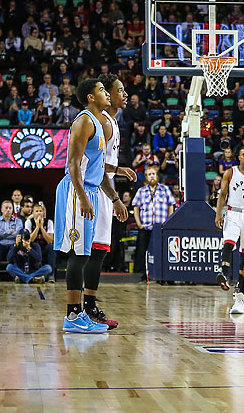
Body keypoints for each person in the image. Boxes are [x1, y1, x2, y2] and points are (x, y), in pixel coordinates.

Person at [54, 79, 126, 334]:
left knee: (85, 251)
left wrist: (113, 196)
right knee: (79, 253)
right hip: (78, 190)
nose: (107, 93)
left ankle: (80, 314)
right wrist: (83, 197)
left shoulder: (98, 123)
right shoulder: (84, 120)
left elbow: (97, 169)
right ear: (90, 97)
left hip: (91, 190)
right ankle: (73, 316)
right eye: (102, 90)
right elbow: (73, 164)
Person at [84, 74, 137, 329]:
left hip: (102, 187)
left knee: (98, 252)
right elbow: (91, 165)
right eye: (120, 90)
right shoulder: (104, 122)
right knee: (95, 252)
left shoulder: (113, 122)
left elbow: (102, 163)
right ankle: (87, 309)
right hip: (96, 191)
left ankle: (87, 308)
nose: (124, 94)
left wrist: (118, 169)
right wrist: (115, 198)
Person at [214, 146, 244, 313]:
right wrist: (218, 213)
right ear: (239, 157)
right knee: (228, 242)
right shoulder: (230, 173)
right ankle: (224, 274)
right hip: (233, 212)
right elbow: (222, 195)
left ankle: (241, 286)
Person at [132, 166, 175, 283]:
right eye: (149, 174)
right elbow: (136, 207)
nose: (152, 176)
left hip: (160, 228)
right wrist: (139, 223)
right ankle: (143, 276)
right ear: (146, 177)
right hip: (145, 227)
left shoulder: (165, 189)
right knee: (142, 252)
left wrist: (168, 222)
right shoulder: (141, 191)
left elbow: (171, 204)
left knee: (161, 252)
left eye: (153, 174)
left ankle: (162, 277)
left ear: (157, 176)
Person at [0, 200, 23, 279]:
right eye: (6, 208)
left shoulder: (18, 221)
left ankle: (14, 272)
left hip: (12, 244)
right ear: (1, 209)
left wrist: (3, 233)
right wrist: (10, 232)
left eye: (10, 208)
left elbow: (17, 234)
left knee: (17, 245)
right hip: (0, 244)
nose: (8, 210)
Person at [26, 203, 56, 281]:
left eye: (40, 211)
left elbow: (50, 240)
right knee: (32, 245)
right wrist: (37, 227)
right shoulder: (28, 222)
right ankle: (32, 273)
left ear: (43, 212)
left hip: (44, 247)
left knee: (51, 247)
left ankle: (51, 275)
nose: (39, 213)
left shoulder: (49, 222)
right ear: (33, 213)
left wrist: (42, 228)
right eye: (37, 211)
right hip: (33, 248)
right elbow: (30, 240)